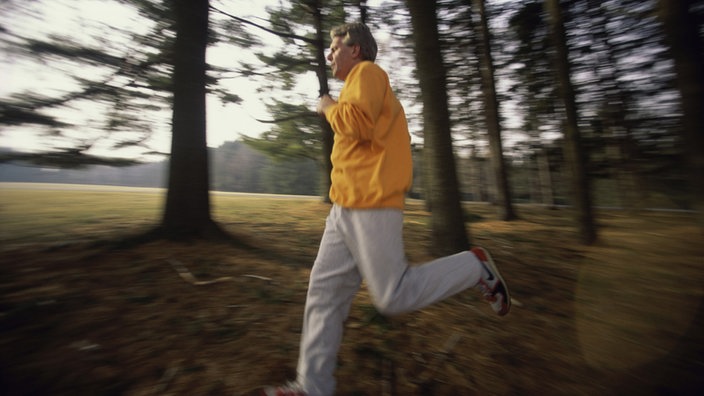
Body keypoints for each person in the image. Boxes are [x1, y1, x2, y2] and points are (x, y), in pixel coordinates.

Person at [265, 22, 510, 396]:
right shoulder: (356, 85)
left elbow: (358, 125)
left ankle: (473, 266)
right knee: (324, 293)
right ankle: (311, 386)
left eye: (334, 48)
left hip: (372, 202)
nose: (329, 55)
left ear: (356, 50)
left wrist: (327, 105)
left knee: (393, 296)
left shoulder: (368, 73)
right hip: (345, 206)